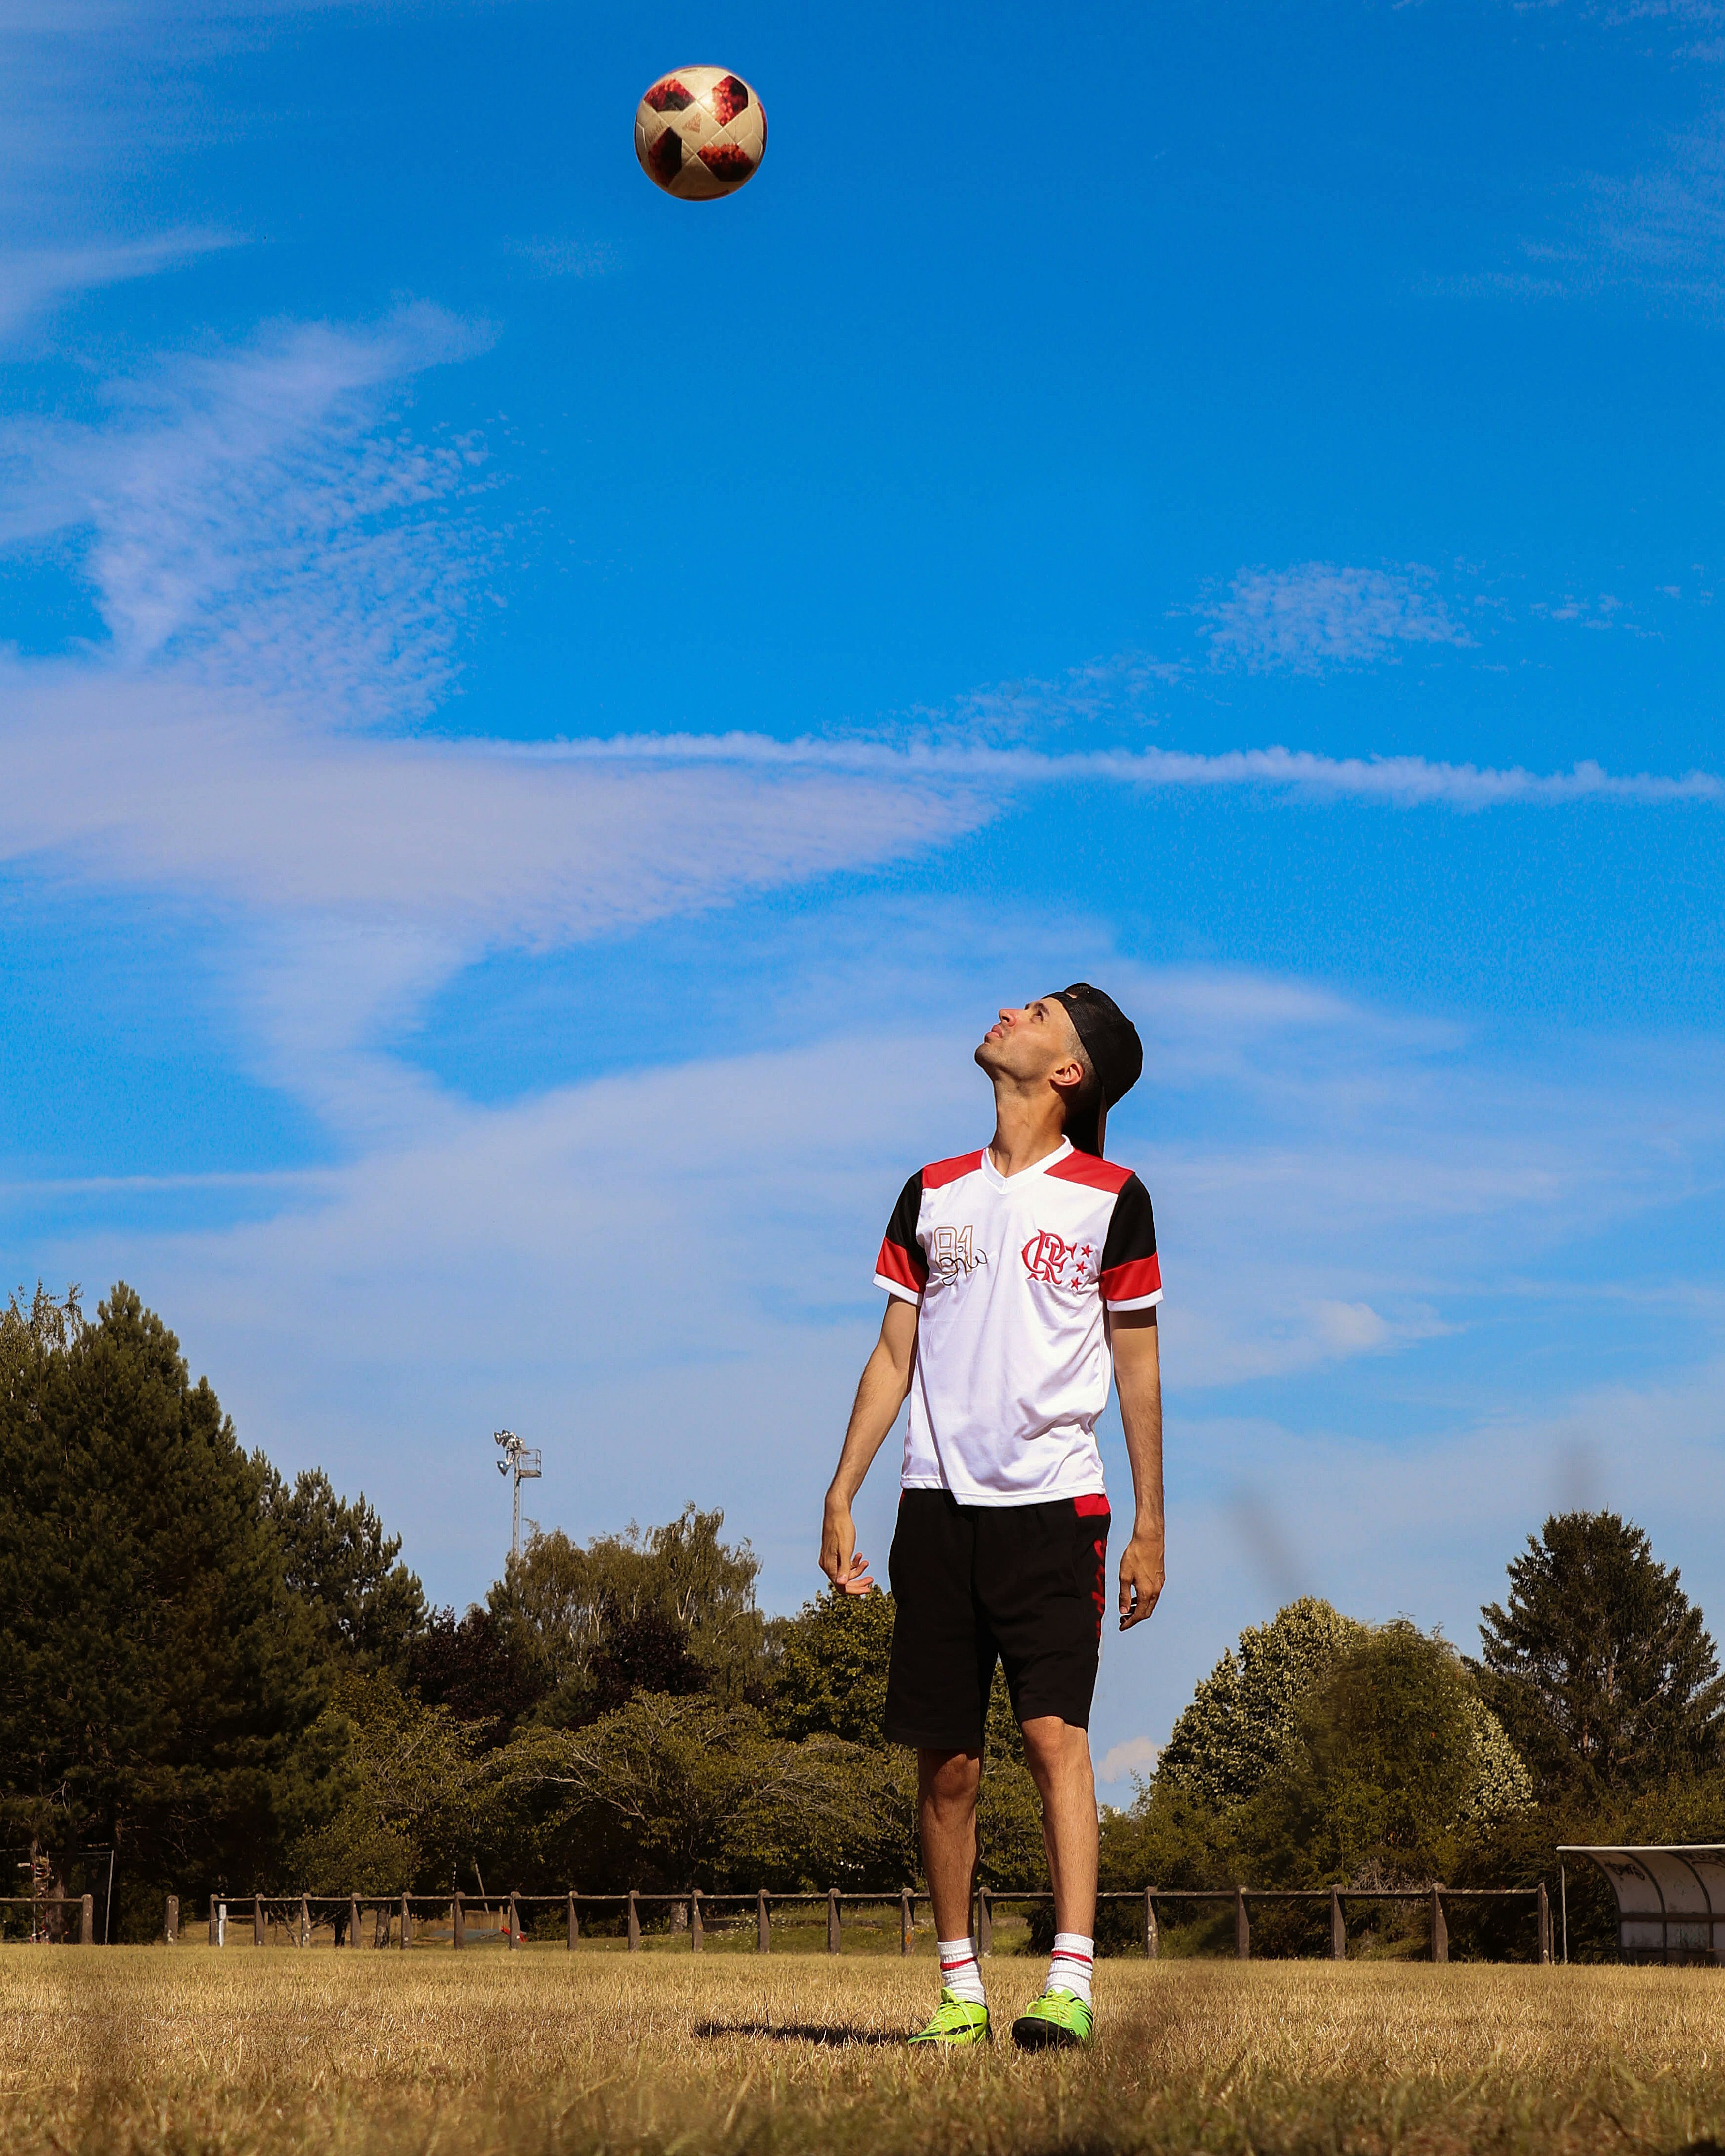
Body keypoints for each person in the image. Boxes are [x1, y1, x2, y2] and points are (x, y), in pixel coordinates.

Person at [819, 984, 1165, 2051]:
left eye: (1043, 1011)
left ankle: (1068, 1981)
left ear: (1070, 1072)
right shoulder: (928, 1191)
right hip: (934, 1504)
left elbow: (1135, 1361)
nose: (1012, 1009)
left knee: (1050, 1734)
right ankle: (959, 1989)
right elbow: (893, 1352)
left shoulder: (1112, 1196)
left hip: (1058, 1505)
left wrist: (1150, 1521)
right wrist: (841, 1492)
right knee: (947, 1761)